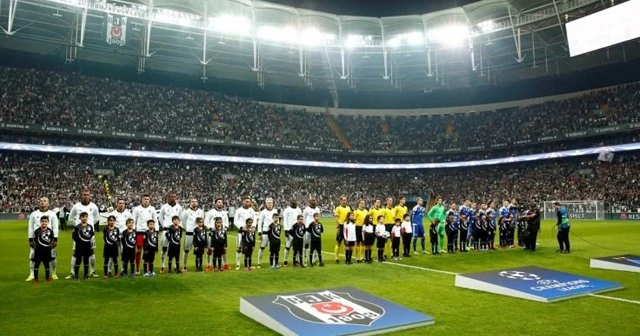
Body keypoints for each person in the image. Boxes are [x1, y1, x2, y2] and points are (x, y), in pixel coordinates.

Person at [66, 190, 100, 279]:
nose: (86, 196)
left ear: (90, 196)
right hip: (79, 235)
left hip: (89, 235)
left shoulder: (94, 206)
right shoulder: (76, 206)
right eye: (84, 194)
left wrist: (90, 226)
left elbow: (96, 219)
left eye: (87, 195)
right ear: (81, 195)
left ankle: (92, 271)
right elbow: (70, 218)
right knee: (75, 253)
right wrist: (78, 226)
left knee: (91, 252)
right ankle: (72, 272)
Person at [26, 197, 59, 282]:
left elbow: (55, 227)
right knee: (33, 256)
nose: (42, 203)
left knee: (52, 256)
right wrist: (30, 239)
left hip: (48, 240)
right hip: (36, 240)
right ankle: (32, 274)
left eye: (44, 201)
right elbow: (30, 227)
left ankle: (54, 273)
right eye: (40, 201)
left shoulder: (52, 214)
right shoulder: (33, 214)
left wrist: (55, 239)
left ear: (48, 203)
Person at [131, 193, 157, 275]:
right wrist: (133, 230)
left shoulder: (152, 209)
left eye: (147, 199)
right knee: (138, 251)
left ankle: (149, 270)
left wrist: (155, 231)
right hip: (140, 232)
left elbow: (155, 220)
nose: (146, 201)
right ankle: (137, 269)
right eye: (144, 199)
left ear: (149, 200)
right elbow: (133, 220)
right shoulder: (137, 209)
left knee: (149, 251)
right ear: (141, 200)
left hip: (149, 233)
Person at [158, 193, 182, 273]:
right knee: (164, 248)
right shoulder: (164, 207)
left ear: (176, 197)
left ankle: (175, 266)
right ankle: (162, 265)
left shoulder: (179, 207)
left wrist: (178, 227)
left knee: (175, 249)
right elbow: (160, 217)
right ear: (168, 197)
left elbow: (180, 218)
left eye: (174, 196)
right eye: (171, 196)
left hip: (175, 231)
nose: (173, 198)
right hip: (166, 230)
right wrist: (164, 225)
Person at [180, 198, 204, 272]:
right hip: (189, 234)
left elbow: (202, 221)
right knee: (186, 250)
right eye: (192, 202)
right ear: (190, 203)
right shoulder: (186, 212)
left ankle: (199, 266)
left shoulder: (200, 211)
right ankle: (184, 266)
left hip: (198, 234)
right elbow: (183, 222)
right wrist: (188, 228)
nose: (194, 203)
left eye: (195, 202)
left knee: (199, 251)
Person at [205, 198, 230, 270]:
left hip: (221, 233)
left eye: (221, 202)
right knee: (210, 249)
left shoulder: (224, 213)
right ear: (215, 203)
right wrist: (210, 228)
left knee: (223, 249)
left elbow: (226, 222)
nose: (220, 204)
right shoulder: (211, 212)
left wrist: (225, 228)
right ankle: (209, 264)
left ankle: (225, 264)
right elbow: (206, 222)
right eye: (219, 202)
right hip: (212, 233)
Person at [234, 197, 256, 270]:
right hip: (241, 232)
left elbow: (255, 220)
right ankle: (238, 264)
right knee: (239, 247)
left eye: (249, 202)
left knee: (249, 248)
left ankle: (248, 265)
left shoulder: (251, 210)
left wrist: (253, 227)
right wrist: (241, 227)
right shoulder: (239, 210)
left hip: (250, 232)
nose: (248, 203)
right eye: (246, 201)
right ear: (243, 202)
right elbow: (235, 221)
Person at [30, 216, 55, 283]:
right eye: (43, 221)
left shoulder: (50, 231)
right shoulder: (37, 231)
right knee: (36, 264)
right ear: (40, 222)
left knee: (46, 264)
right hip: (38, 251)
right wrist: (34, 246)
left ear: (48, 222)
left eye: (45, 221)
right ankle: (36, 278)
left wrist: (51, 247)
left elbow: (52, 240)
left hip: (47, 251)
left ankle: (47, 278)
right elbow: (34, 241)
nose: (44, 223)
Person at [72, 212, 94, 280]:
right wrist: (79, 242)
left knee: (86, 260)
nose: (85, 218)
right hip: (79, 247)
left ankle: (86, 275)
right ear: (80, 218)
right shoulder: (77, 227)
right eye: (83, 217)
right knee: (78, 260)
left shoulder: (90, 226)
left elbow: (91, 235)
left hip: (87, 246)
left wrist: (87, 242)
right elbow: (73, 236)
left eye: (86, 217)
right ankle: (76, 275)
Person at [257, 197, 279, 268]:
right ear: (266, 204)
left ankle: (274, 263)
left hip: (273, 233)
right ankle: (259, 262)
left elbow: (277, 221)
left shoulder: (275, 211)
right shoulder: (263, 212)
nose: (270, 204)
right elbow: (260, 223)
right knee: (262, 247)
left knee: (273, 248)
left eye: (271, 203)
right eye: (268, 203)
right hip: (266, 232)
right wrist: (260, 233)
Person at [282, 200, 302, 266]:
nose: (295, 203)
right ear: (290, 203)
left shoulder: (299, 210)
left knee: (296, 247)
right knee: (287, 247)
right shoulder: (287, 210)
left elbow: (301, 220)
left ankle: (296, 260)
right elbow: (285, 220)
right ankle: (285, 260)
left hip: (297, 231)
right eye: (293, 202)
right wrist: (286, 230)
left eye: (296, 202)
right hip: (290, 231)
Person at [302, 198, 320, 265]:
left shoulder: (317, 209)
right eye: (312, 201)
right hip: (307, 229)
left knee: (314, 245)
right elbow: (303, 219)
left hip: (315, 230)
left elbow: (318, 218)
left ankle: (313, 259)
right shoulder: (306, 210)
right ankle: (305, 259)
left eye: (314, 200)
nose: (314, 202)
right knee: (306, 244)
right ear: (309, 202)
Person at [334, 195, 351, 264]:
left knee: (346, 242)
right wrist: (338, 227)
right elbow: (337, 218)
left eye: (345, 200)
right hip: (341, 226)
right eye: (343, 200)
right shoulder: (338, 208)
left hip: (347, 227)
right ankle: (336, 257)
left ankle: (345, 257)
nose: (345, 201)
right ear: (340, 201)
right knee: (338, 242)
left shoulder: (348, 208)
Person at [353, 199, 368, 263]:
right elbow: (354, 220)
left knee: (363, 243)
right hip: (358, 227)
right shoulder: (356, 211)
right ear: (359, 204)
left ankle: (362, 257)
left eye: (364, 203)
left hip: (364, 228)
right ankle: (357, 257)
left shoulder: (366, 211)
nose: (363, 204)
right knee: (357, 243)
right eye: (362, 203)